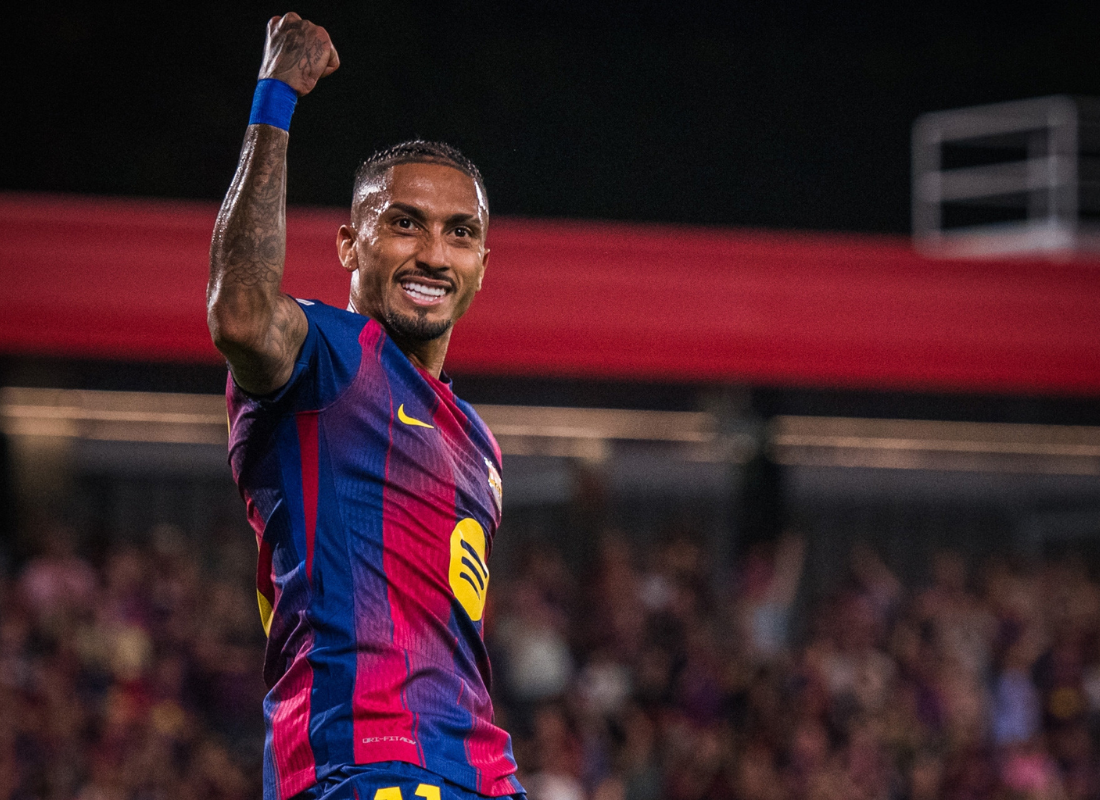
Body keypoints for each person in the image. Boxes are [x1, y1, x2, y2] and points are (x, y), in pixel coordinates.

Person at [206, 13, 524, 800]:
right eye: (404, 224)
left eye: (460, 233)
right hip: (360, 762)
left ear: (483, 263)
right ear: (350, 244)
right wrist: (276, 97)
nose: (433, 254)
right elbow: (240, 315)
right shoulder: (326, 356)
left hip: (481, 773)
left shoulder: (479, 443)